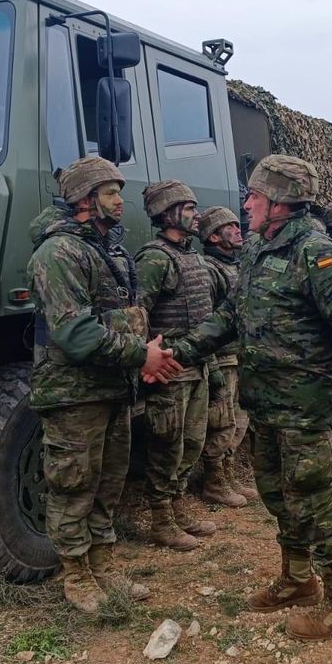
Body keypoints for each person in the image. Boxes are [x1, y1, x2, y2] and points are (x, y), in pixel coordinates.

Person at [169, 155, 332, 642]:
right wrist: (180, 353)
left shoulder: (316, 253)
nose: (247, 205)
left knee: (315, 501)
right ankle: (298, 580)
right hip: (265, 405)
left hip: (304, 408)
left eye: (255, 197)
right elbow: (231, 316)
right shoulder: (259, 249)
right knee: (279, 497)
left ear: (279, 203)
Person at [26, 156, 180, 612]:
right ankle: (77, 577)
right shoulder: (58, 254)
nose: (120, 200)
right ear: (85, 201)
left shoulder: (104, 249)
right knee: (74, 485)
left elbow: (114, 315)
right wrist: (141, 354)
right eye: (111, 193)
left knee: (108, 484)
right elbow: (75, 333)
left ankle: (106, 568)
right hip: (74, 395)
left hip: (111, 389)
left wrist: (143, 345)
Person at [136, 180, 218, 550]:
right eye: (188, 207)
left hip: (196, 366)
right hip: (170, 370)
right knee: (167, 445)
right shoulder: (154, 258)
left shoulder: (192, 256)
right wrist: (146, 358)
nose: (197, 213)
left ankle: (177, 504)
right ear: (168, 213)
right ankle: (161, 518)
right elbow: (137, 314)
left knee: (192, 442)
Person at [197, 206, 258, 507]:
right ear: (213, 236)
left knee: (239, 420)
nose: (238, 230)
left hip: (240, 355)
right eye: (229, 226)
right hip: (222, 358)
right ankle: (214, 482)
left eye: (237, 224)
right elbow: (205, 320)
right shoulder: (209, 270)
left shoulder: (234, 266)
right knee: (221, 422)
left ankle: (229, 476)